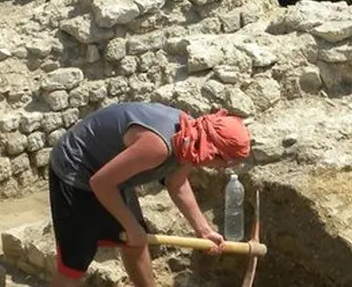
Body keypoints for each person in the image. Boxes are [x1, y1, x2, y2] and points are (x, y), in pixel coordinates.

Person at [47, 103, 252, 287]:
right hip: (77, 168)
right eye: (226, 163)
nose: (221, 169)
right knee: (74, 262)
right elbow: (100, 183)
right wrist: (130, 226)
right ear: (214, 150)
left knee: (136, 242)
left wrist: (204, 230)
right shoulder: (159, 146)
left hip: (111, 172)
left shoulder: (193, 140)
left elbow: (177, 183)